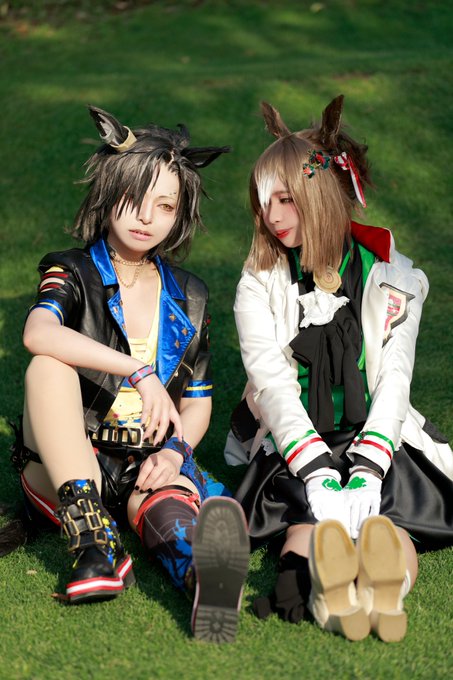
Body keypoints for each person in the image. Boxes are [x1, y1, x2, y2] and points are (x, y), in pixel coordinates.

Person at [9, 105, 249, 643]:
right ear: (109, 192)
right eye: (133, 198)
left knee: (167, 508)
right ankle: (95, 546)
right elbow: (38, 334)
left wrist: (174, 453)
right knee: (47, 366)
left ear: (179, 213)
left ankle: (202, 575)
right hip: (71, 459)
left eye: (164, 205)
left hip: (146, 457)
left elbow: (198, 401)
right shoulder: (70, 270)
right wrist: (138, 370)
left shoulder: (190, 294)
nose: (146, 217)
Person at [224, 95, 453, 642]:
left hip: (378, 432)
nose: (273, 216)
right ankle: (313, 586)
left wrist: (369, 466)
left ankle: (381, 590)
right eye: (264, 203)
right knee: (307, 520)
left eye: (286, 199)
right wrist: (315, 470)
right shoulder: (257, 281)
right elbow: (273, 384)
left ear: (321, 193)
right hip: (295, 435)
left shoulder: (393, 276)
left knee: (388, 524)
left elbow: (394, 378)